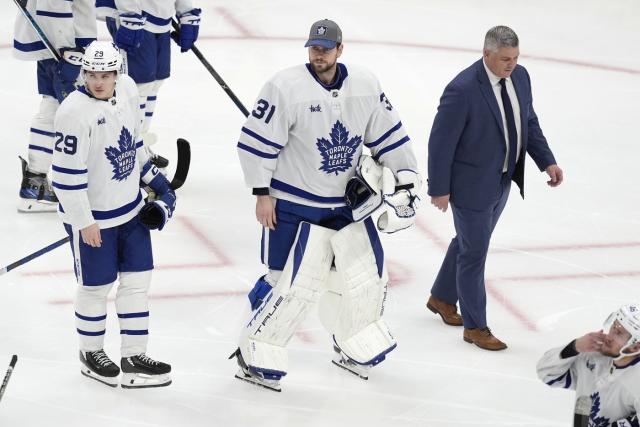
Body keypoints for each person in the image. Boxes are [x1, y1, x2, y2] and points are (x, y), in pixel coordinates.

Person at [230, 19, 421, 391]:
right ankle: (252, 348)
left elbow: (390, 136)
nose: (319, 54)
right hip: (292, 203)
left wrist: (406, 178)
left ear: (340, 49)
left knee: (362, 278)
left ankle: (350, 342)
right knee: (283, 282)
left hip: (346, 206)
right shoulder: (284, 87)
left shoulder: (365, 85)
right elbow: (254, 144)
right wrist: (262, 194)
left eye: (326, 48)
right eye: (314, 48)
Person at [425, 25, 563, 351]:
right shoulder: (462, 89)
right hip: (470, 185)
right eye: (505, 59)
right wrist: (439, 189)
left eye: (515, 57)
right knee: (475, 252)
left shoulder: (521, 77)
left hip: (502, 180)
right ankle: (475, 327)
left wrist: (547, 161)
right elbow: (440, 143)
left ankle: (442, 297)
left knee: (471, 241)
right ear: (486, 53)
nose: (511, 64)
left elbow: (528, 121)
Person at [52, 41, 177, 388]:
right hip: (95, 220)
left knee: (137, 282)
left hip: (130, 210)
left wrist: (155, 181)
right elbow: (65, 178)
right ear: (84, 73)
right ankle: (90, 353)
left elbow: (134, 144)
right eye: (92, 74)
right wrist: (84, 221)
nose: (98, 82)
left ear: (117, 73)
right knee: (96, 286)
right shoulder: (73, 113)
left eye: (105, 75)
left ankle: (134, 357)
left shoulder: (128, 89)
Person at [96, 0, 202, 167]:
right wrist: (129, 14)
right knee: (137, 86)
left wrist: (186, 12)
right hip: (134, 17)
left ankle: (141, 146)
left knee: (155, 83)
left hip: (161, 21)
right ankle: (129, 152)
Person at [13, 0, 96, 212]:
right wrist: (69, 51)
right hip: (67, 46)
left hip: (58, 43)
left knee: (51, 105)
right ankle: (40, 182)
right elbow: (55, 4)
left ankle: (35, 182)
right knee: (79, 109)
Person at [537, 304, 640, 427]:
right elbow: (547, 374)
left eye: (619, 334)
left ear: (636, 346)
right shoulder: (593, 356)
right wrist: (574, 347)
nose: (609, 336)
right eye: (613, 326)